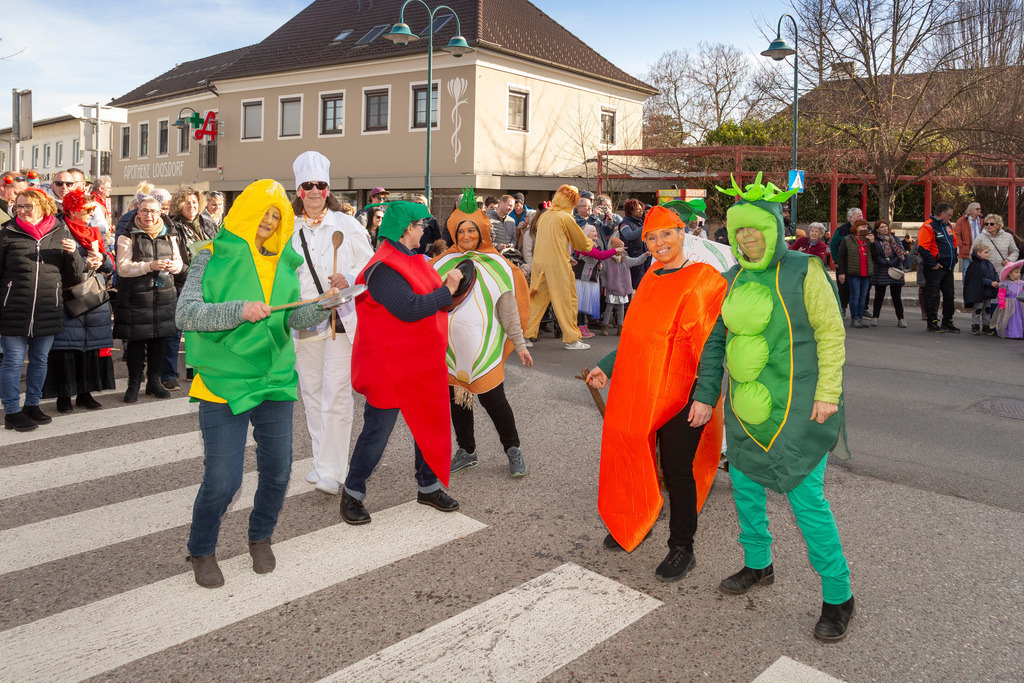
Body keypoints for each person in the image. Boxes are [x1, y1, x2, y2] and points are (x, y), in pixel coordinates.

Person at [693, 173, 854, 642]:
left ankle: (839, 595)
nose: (748, 239)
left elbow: (830, 334)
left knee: (807, 502)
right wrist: (706, 395)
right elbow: (716, 340)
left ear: (774, 230)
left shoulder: (806, 269)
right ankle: (758, 565)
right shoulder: (734, 277)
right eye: (740, 232)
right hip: (745, 407)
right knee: (745, 488)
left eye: (756, 231)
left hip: (800, 405)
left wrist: (828, 392)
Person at [178, 179, 339, 588]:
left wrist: (322, 306)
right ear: (245, 213)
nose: (269, 222)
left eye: (276, 216)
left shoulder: (286, 261)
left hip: (275, 379)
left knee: (279, 470)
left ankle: (261, 536)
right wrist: (237, 310)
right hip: (224, 382)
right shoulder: (209, 256)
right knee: (223, 479)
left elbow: (289, 319)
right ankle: (201, 549)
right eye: (263, 213)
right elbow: (187, 314)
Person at [586, 205, 727, 582]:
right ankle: (639, 518)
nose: (660, 242)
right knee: (634, 452)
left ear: (683, 234)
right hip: (645, 386)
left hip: (686, 393)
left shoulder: (705, 278)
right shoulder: (649, 277)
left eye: (667, 233)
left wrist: (707, 395)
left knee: (677, 470)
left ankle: (683, 547)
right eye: (652, 236)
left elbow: (713, 342)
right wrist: (607, 365)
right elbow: (638, 336)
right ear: (644, 243)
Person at [341, 201, 463, 525]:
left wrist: (451, 292)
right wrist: (448, 291)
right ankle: (352, 494)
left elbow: (433, 298)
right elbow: (408, 308)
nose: (425, 229)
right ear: (407, 228)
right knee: (376, 434)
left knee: (428, 425)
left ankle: (428, 487)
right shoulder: (382, 267)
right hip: (389, 368)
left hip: (417, 362)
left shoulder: (411, 258)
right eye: (420, 224)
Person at [430, 190, 533, 477]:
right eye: (461, 230)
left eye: (471, 230)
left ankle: (513, 449)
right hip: (449, 351)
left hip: (484, 349)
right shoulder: (439, 264)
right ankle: (467, 450)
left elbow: (508, 309)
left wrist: (520, 345)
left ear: (481, 232)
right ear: (453, 232)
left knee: (494, 400)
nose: (465, 235)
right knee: (457, 400)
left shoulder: (497, 264)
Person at [290, 151, 374, 496]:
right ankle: (319, 460)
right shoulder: (288, 228)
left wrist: (349, 275)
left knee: (336, 393)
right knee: (311, 392)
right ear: (298, 190)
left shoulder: (347, 224)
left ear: (328, 189)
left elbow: (370, 267)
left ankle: (333, 470)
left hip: (340, 320)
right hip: (304, 320)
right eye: (307, 185)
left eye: (320, 185)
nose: (313, 191)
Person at [1, 189, 84, 431]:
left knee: (40, 360)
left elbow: (76, 275)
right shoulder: (7, 233)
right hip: (13, 308)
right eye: (18, 206)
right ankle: (12, 411)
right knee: (13, 361)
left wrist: (73, 253)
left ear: (43, 207)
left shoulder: (60, 232)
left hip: (48, 307)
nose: (22, 211)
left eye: (27, 206)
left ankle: (32, 405)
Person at [42, 190, 116, 412]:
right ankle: (63, 395)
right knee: (66, 346)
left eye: (94, 209)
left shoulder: (94, 232)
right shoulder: (57, 230)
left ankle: (86, 392)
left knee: (90, 346)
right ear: (73, 210)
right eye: (88, 210)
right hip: (67, 295)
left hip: (92, 295)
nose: (92, 214)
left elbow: (110, 266)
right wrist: (84, 261)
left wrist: (101, 260)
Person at [114, 197, 183, 402]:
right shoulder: (127, 236)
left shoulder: (170, 234)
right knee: (136, 342)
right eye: (144, 211)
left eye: (153, 211)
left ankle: (154, 382)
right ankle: (134, 383)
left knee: (159, 340)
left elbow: (179, 262)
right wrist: (149, 266)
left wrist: (174, 267)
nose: (149, 216)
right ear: (138, 212)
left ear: (160, 212)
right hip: (136, 297)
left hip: (163, 295)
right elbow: (122, 268)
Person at [522, 185, 596, 350]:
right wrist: (591, 244)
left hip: (540, 265)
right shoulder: (565, 217)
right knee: (566, 302)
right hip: (558, 266)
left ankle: (525, 335)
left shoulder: (545, 216)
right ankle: (572, 339)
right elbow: (581, 242)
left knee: (536, 301)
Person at [918, 202, 960, 333]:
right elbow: (923, 248)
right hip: (935, 268)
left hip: (948, 267)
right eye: (950, 215)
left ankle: (947, 321)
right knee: (932, 294)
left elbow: (953, 243)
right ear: (943, 214)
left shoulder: (947, 225)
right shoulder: (928, 226)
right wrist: (933, 264)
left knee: (949, 295)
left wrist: (955, 258)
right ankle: (932, 321)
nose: (951, 218)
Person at [869, 219, 907, 327]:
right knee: (879, 295)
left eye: (886, 226)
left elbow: (901, 252)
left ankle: (901, 318)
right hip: (881, 270)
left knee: (896, 296)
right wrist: (886, 263)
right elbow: (875, 256)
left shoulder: (894, 239)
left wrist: (892, 262)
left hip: (895, 269)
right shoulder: (875, 241)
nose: (885, 229)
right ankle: (875, 317)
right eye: (882, 227)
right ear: (877, 230)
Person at [836, 220, 874, 328]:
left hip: (866, 272)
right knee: (855, 296)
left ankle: (860, 318)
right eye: (862, 226)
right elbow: (841, 256)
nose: (865, 228)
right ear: (856, 228)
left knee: (863, 296)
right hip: (853, 272)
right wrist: (842, 273)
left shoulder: (869, 240)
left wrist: (872, 242)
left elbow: (876, 255)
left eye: (866, 227)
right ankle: (854, 318)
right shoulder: (848, 239)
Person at [830, 207, 862, 317]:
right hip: (844, 263)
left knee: (861, 288)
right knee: (843, 287)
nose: (861, 218)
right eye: (858, 216)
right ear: (850, 218)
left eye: (861, 216)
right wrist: (836, 260)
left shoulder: (866, 229)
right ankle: (842, 308)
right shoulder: (841, 230)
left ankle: (862, 309)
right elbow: (833, 245)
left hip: (860, 264)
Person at [963, 242, 999, 335]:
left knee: (987, 308)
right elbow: (976, 278)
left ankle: (986, 325)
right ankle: (975, 325)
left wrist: (996, 281)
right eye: (986, 252)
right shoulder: (975, 264)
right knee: (978, 308)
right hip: (979, 291)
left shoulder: (989, 263)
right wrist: (990, 282)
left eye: (988, 252)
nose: (988, 254)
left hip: (989, 291)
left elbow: (994, 273)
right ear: (979, 253)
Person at [619, 198, 648, 289]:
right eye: (638, 210)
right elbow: (629, 236)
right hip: (633, 259)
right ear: (631, 210)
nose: (641, 212)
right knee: (635, 286)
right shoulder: (625, 224)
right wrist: (645, 227)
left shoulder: (640, 222)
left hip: (644, 259)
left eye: (642, 210)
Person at [994, 260, 1023, 339]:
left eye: (1019, 272)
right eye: (1016, 272)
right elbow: (1001, 294)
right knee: (1009, 318)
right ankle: (1010, 333)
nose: (1019, 274)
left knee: (1019, 318)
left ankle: (1019, 333)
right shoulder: (1005, 283)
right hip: (1009, 303)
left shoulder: (1021, 283)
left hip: (1019, 304)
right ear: (1010, 274)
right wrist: (1002, 303)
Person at [953, 202, 983, 274]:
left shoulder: (982, 220)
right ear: (971, 210)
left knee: (980, 269)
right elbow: (957, 234)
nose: (979, 210)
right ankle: (966, 285)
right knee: (966, 269)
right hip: (967, 249)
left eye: (980, 209)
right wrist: (961, 245)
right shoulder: (962, 220)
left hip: (980, 249)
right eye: (977, 209)